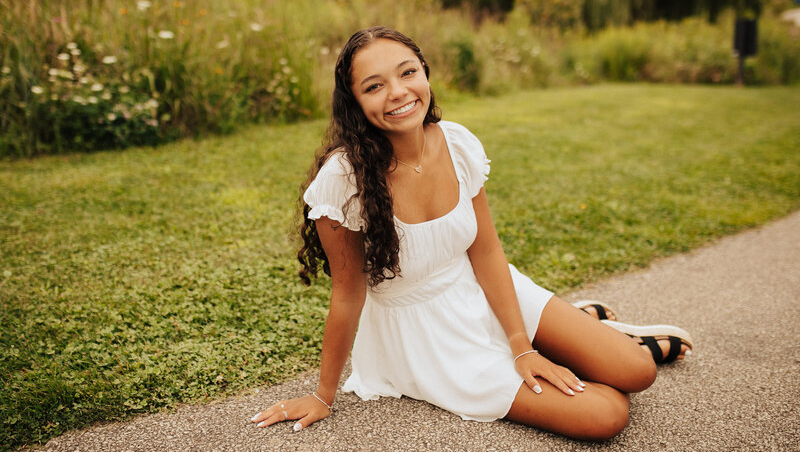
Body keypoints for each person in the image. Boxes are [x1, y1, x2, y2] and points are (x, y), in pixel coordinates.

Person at [250, 26, 693, 440]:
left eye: (408, 72)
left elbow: (485, 252)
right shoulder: (343, 179)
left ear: (424, 73)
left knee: (638, 371)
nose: (398, 92)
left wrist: (520, 346)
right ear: (355, 103)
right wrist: (323, 394)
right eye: (374, 85)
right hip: (427, 334)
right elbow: (347, 295)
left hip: (480, 287)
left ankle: (568, 331)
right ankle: (576, 332)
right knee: (606, 414)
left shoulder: (457, 143)